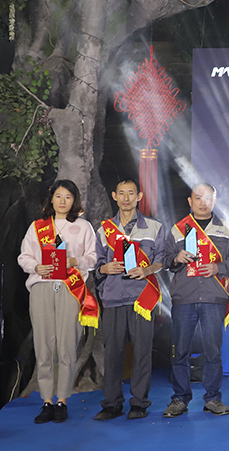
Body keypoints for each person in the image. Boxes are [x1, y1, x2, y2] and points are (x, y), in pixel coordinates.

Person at [18, 180, 98, 424]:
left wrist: (75, 261)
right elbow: (24, 256)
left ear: (75, 201)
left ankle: (62, 400)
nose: (63, 201)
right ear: (51, 199)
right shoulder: (37, 227)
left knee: (66, 346)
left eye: (68, 197)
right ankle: (46, 401)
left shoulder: (83, 227)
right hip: (41, 288)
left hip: (70, 289)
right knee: (43, 346)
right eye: (59, 196)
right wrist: (36, 266)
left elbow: (93, 258)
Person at [161, 183, 229, 418]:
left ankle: (213, 398)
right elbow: (165, 259)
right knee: (180, 351)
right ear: (190, 201)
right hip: (184, 297)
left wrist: (218, 267)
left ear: (214, 201)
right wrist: (176, 258)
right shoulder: (178, 229)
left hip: (213, 296)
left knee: (213, 351)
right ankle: (180, 398)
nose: (202, 202)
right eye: (198, 198)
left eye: (207, 198)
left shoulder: (226, 228)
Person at [93, 179, 164, 420]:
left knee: (143, 353)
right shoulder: (103, 230)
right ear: (114, 196)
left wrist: (147, 269)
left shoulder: (154, 227)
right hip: (113, 298)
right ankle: (112, 404)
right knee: (112, 353)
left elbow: (162, 260)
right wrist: (105, 269)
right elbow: (96, 264)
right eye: (121, 193)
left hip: (142, 299)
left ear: (139, 196)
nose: (126, 198)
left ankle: (139, 403)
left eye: (131, 193)